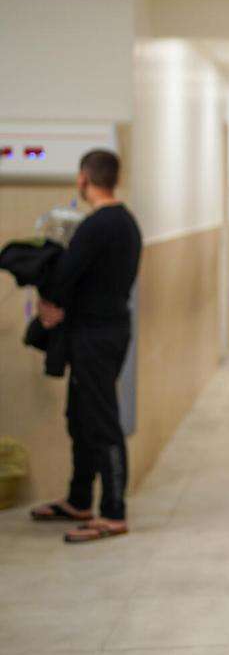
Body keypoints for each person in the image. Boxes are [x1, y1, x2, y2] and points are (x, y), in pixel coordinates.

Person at [30, 149, 143, 544]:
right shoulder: (126, 222)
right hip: (107, 331)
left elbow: (64, 274)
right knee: (80, 417)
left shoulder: (98, 225)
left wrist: (49, 304)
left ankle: (113, 511)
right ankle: (79, 499)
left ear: (83, 179)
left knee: (101, 421)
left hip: (95, 336)